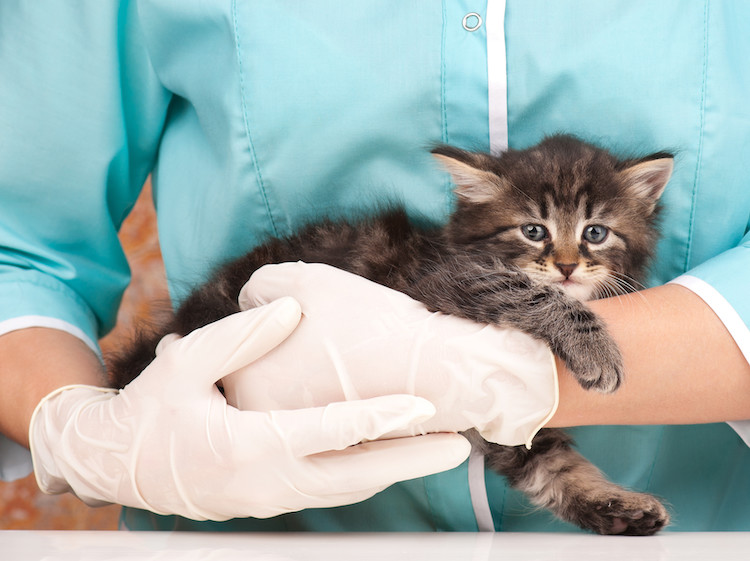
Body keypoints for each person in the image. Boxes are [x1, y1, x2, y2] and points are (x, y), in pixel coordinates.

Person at [1, 1, 749, 532]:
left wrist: (519, 371)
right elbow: (19, 243)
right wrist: (78, 426)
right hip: (251, 539)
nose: (559, 259)